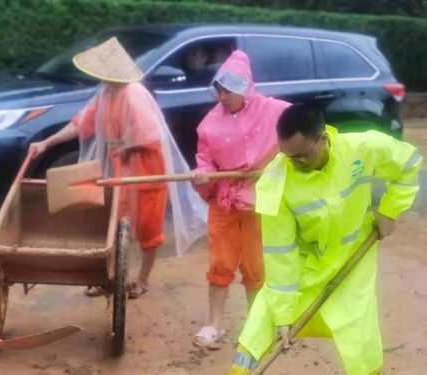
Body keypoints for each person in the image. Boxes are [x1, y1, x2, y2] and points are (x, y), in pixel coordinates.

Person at [230, 104, 422, 375]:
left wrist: (389, 211)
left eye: (301, 156)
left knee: (360, 348)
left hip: (352, 268)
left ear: (323, 138)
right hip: (305, 270)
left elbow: (409, 162)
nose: (294, 163)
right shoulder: (278, 181)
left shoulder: (362, 148)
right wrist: (283, 315)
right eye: (288, 156)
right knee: (253, 338)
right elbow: (280, 253)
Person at [31, 37, 206, 298]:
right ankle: (108, 277)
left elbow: (150, 135)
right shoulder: (106, 93)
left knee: (148, 227)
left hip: (147, 169)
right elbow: (82, 123)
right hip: (121, 168)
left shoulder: (133, 93)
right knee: (114, 221)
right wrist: (48, 141)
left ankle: (142, 279)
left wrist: (124, 146)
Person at [191, 50, 290, 348]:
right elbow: (205, 159)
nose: (222, 97)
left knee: (256, 267)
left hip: (259, 202)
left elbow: (297, 132)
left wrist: (266, 166)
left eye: (229, 90)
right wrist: (203, 175)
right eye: (219, 89)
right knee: (220, 263)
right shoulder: (208, 124)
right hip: (224, 202)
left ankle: (255, 325)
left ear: (246, 86)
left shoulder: (273, 109)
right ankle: (214, 325)